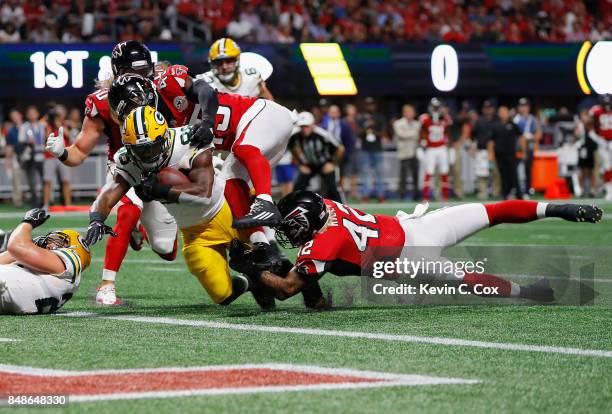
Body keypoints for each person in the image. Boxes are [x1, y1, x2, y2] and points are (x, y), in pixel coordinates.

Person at [230, 190, 602, 306]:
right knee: (494, 211)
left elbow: (286, 290)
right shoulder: (325, 206)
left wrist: (252, 271)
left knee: (468, 279)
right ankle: (560, 208)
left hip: (411, 258)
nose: (290, 233)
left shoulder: (324, 241)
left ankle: (530, 292)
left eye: (293, 227)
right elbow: (307, 213)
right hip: (413, 227)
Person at [84, 106, 268, 309]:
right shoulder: (128, 159)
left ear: (164, 138)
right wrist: (97, 219)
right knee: (223, 295)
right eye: (139, 150)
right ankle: (250, 282)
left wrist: (162, 190)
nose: (146, 155)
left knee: (273, 267)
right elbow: (110, 193)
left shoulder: (187, 140)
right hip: (195, 233)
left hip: (226, 210)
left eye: (151, 147)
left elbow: (204, 194)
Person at [44, 42, 179, 306]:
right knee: (129, 208)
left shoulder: (166, 89)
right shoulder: (101, 102)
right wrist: (62, 152)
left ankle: (139, 231)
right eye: (131, 70)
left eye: (142, 70)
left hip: (161, 167)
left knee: (167, 250)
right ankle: (106, 285)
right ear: (118, 72)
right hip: (124, 166)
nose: (139, 77)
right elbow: (80, 152)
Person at [0, 209, 90, 315]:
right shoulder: (57, 278)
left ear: (73, 248)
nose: (48, 244)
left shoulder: (70, 261)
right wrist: (32, 244)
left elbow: (15, 246)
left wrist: (29, 222)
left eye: (58, 241)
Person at [289, 111, 344, 202]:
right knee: (298, 187)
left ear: (312, 125)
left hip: (324, 163)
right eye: (302, 126)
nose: (304, 129)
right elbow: (293, 149)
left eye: (306, 126)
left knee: (332, 189)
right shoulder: (296, 136)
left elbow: (340, 148)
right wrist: (300, 165)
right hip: (308, 165)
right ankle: (295, 207)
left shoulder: (322, 134)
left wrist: (333, 164)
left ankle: (340, 208)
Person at [196, 37, 274, 100]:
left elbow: (270, 103)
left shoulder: (252, 77)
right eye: (219, 62)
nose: (224, 66)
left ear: (237, 60)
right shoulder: (205, 82)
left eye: (229, 61)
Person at [420, 98, 452, 201]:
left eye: (437, 107)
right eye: (434, 107)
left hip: (442, 148)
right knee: (429, 171)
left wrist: (450, 147)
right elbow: (421, 132)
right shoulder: (425, 118)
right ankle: (425, 197)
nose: (435, 109)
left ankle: (445, 197)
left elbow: (448, 132)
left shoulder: (445, 118)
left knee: (444, 171)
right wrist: (421, 144)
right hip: (431, 149)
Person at [321, 104, 354, 200]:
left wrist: (346, 154)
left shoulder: (344, 125)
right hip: (327, 155)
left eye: (335, 112)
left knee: (341, 176)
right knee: (326, 176)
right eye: (331, 112)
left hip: (341, 154)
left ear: (339, 114)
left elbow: (349, 141)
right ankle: (325, 198)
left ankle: (341, 198)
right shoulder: (324, 125)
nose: (333, 114)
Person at [357, 97, 387, 202]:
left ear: (375, 105)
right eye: (368, 104)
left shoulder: (379, 117)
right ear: (365, 105)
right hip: (365, 149)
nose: (370, 106)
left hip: (377, 148)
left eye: (372, 104)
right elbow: (358, 132)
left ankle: (380, 195)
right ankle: (365, 195)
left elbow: (384, 133)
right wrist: (366, 127)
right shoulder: (361, 117)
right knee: (365, 173)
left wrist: (374, 130)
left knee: (379, 173)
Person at [42, 106, 72, 210]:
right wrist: (50, 124)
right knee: (47, 181)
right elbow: (46, 137)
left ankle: (68, 204)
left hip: (63, 155)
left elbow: (69, 136)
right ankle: (46, 205)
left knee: (66, 180)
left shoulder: (64, 124)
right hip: (49, 156)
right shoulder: (47, 125)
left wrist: (59, 125)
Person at [491, 106, 522, 200]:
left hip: (511, 154)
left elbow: (521, 137)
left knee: (514, 174)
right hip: (499, 155)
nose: (502, 113)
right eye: (500, 111)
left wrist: (521, 150)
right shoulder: (495, 125)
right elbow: (491, 141)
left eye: (504, 111)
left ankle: (518, 194)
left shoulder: (513, 124)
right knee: (503, 175)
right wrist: (491, 154)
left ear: (508, 112)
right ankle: (505, 194)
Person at [513, 97, 541, 197]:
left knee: (527, 170)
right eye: (521, 106)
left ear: (528, 107)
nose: (523, 108)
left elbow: (539, 134)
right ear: (518, 107)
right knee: (515, 171)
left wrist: (530, 136)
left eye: (525, 106)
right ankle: (517, 191)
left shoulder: (532, 119)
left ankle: (527, 190)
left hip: (528, 148)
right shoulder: (515, 119)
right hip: (515, 149)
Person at [18, 106, 45, 207]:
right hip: (30, 155)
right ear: (27, 115)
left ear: (37, 114)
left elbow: (46, 137)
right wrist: (27, 141)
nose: (32, 114)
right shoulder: (24, 126)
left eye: (34, 112)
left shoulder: (42, 125)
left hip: (41, 154)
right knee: (32, 180)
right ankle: (35, 201)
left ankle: (44, 200)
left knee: (44, 179)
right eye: (30, 113)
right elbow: (20, 140)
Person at [393, 104, 420, 200]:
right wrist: (413, 134)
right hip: (404, 153)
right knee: (403, 176)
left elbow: (417, 136)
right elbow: (401, 135)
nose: (410, 114)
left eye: (412, 112)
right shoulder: (398, 123)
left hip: (414, 152)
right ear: (404, 113)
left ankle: (416, 195)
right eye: (408, 111)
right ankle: (401, 194)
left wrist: (409, 134)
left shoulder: (417, 124)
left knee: (415, 175)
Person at [471, 100, 496, 200]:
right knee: (481, 173)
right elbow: (473, 135)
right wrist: (473, 146)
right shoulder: (479, 121)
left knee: (494, 172)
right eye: (486, 108)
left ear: (492, 109)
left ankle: (495, 192)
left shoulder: (496, 120)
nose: (488, 110)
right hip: (482, 150)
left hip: (494, 151)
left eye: (489, 108)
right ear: (483, 109)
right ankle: (483, 192)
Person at [589, 94, 612, 200]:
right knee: (607, 165)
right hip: (603, 141)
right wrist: (595, 136)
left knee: (607, 167)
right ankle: (609, 190)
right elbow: (588, 122)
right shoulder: (596, 111)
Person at [4, 109, 23, 207]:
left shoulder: (27, 126)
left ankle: (36, 198)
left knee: (33, 178)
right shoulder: (11, 131)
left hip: (30, 156)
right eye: (13, 117)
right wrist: (8, 160)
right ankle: (17, 200)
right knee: (16, 179)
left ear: (20, 115)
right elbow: (9, 147)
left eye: (16, 115)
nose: (15, 118)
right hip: (17, 157)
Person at [342, 103, 360, 199]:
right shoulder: (344, 122)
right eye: (351, 109)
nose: (353, 111)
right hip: (347, 150)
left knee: (354, 172)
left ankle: (354, 192)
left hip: (355, 149)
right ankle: (345, 192)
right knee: (345, 172)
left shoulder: (357, 121)